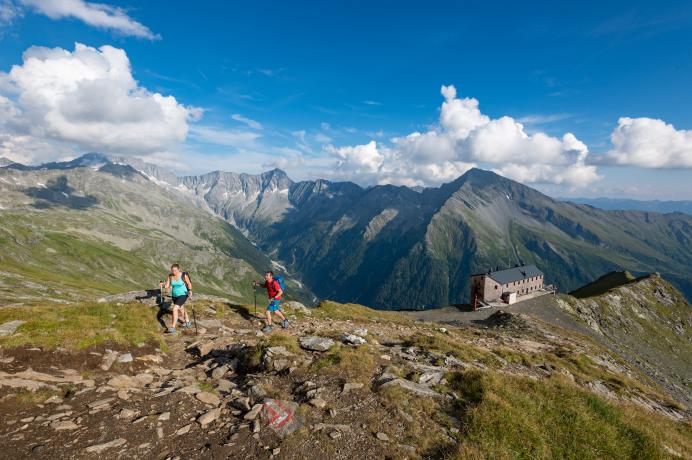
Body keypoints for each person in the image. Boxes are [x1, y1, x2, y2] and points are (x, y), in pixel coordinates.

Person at [159, 264, 193, 333]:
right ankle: (188, 322)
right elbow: (167, 286)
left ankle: (173, 327)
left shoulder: (183, 275)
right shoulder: (170, 276)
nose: (174, 272)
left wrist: (189, 290)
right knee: (181, 308)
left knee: (175, 309)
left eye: (175, 270)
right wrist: (162, 284)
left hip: (183, 294)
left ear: (179, 269)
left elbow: (189, 283)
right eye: (172, 270)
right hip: (174, 296)